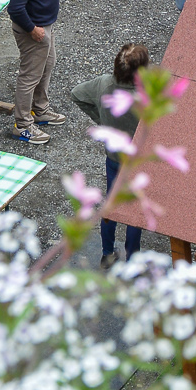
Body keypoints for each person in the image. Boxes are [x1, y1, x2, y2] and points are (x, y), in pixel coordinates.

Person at [70, 42, 149, 268]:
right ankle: (132, 259)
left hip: (113, 158)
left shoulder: (104, 84)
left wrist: (102, 121)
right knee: (134, 212)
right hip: (136, 161)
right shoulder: (145, 95)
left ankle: (107, 254)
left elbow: (77, 94)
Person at [6, 0, 73, 145]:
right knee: (29, 77)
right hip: (34, 29)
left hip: (45, 25)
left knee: (48, 65)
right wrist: (33, 30)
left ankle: (40, 110)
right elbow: (15, 7)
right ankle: (23, 126)